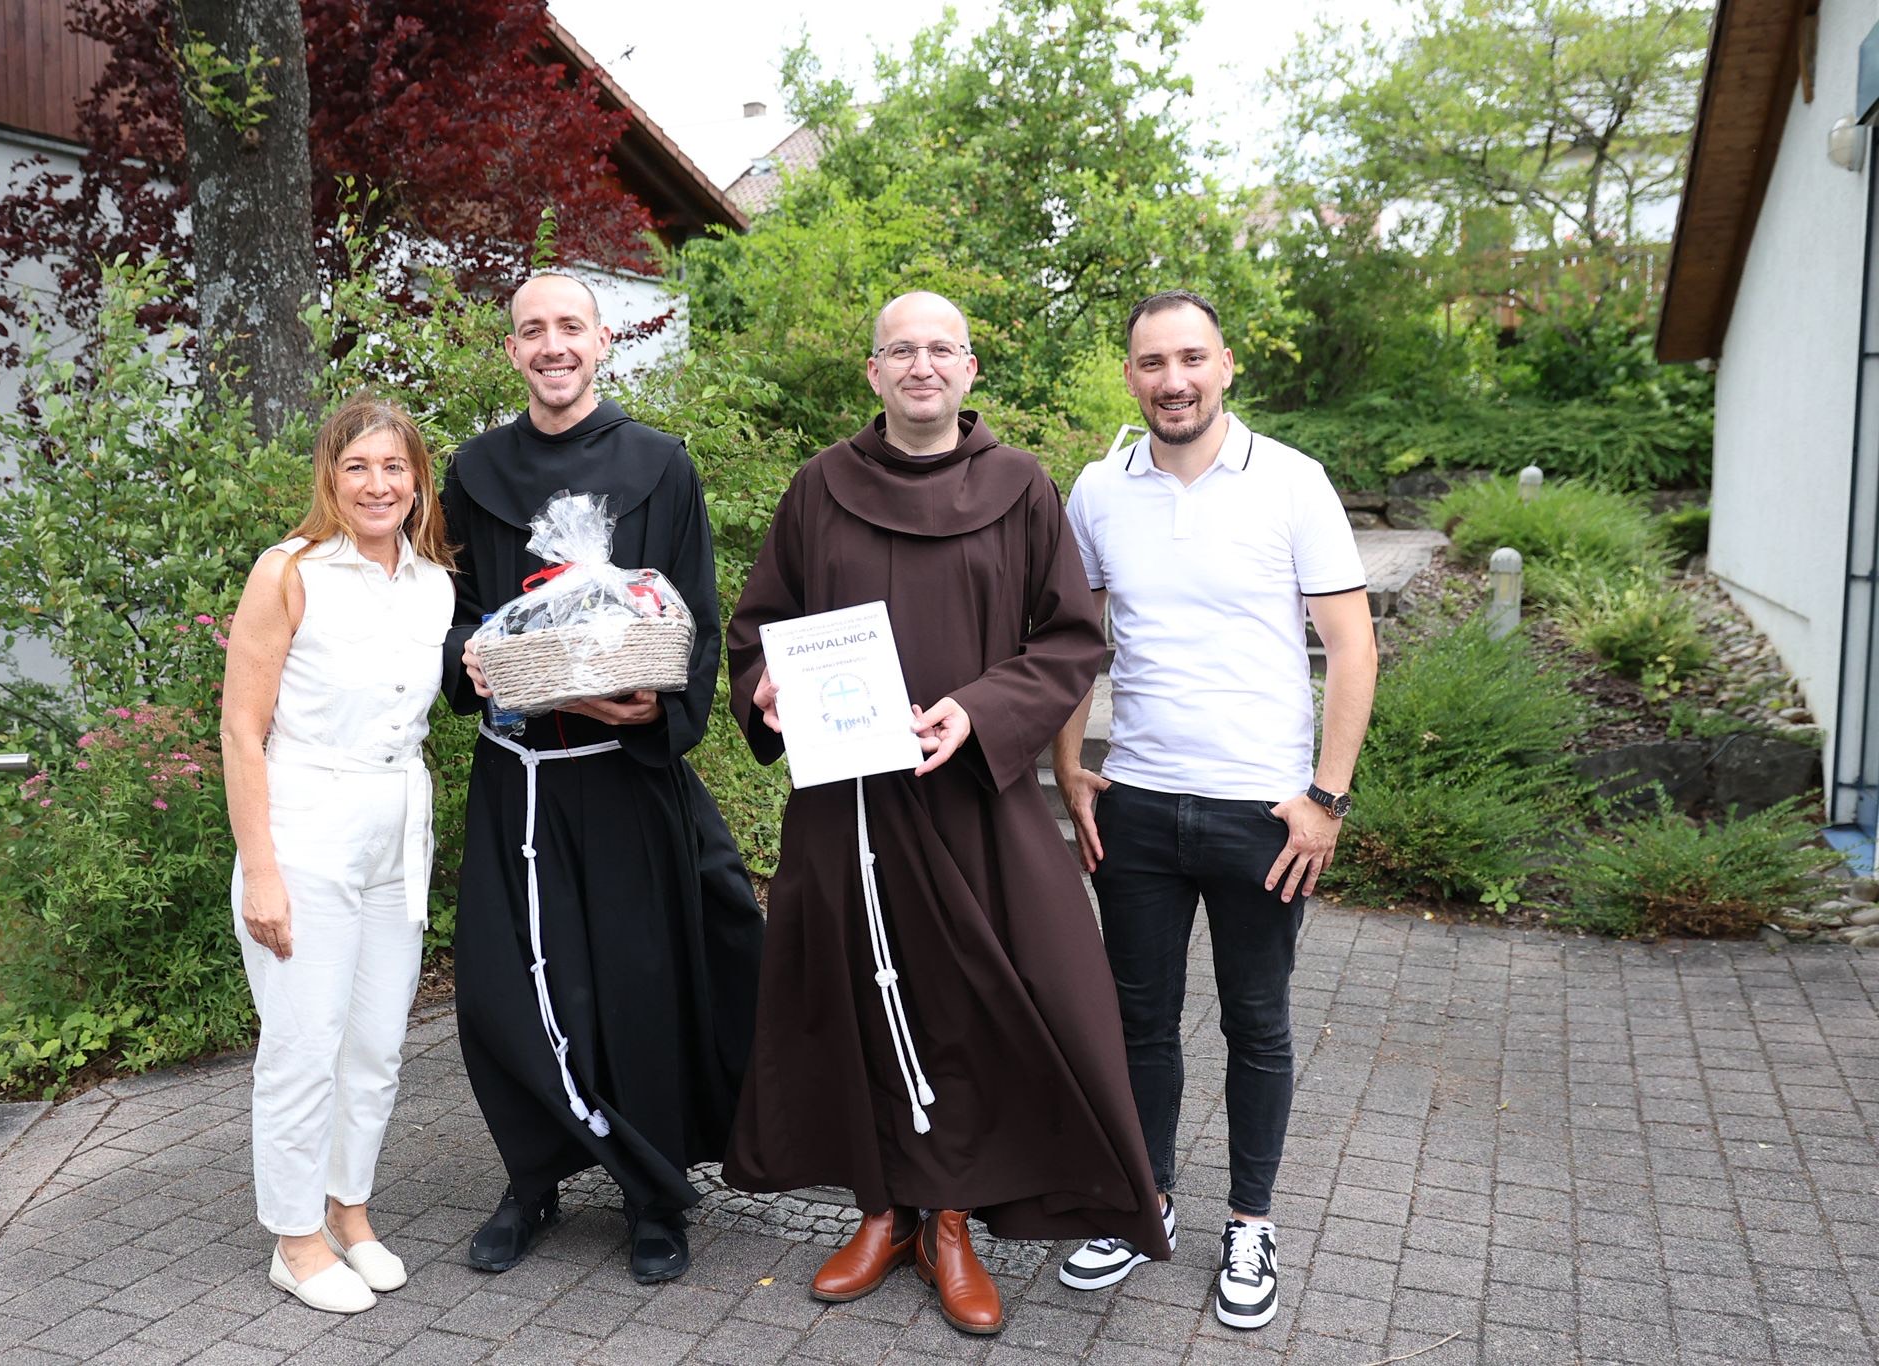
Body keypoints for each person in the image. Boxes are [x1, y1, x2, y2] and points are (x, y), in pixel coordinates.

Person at [722, 291, 1169, 1337]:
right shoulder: (818, 487)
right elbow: (760, 626)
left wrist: (978, 711)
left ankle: (953, 1220)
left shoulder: (1021, 487)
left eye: (940, 349)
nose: (920, 366)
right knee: (856, 995)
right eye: (900, 350)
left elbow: (1069, 640)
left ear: (968, 370)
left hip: (972, 801)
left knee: (970, 1003)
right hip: (847, 807)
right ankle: (883, 1212)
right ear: (873, 372)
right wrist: (765, 689)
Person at [1053, 291, 1378, 1330]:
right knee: (1137, 1021)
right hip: (1138, 804)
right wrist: (1070, 767)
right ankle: (1141, 1201)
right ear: (1129, 376)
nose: (1173, 380)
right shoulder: (1098, 490)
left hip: (1263, 816)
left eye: (1191, 358)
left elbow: (1352, 646)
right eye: (1152, 362)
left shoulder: (1291, 480)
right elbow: (1076, 641)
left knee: (1256, 1023)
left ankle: (1249, 1221)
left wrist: (1325, 797)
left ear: (1226, 365)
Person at [441, 273, 763, 1286]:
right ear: (510, 351)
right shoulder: (473, 472)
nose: (552, 345)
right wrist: (473, 659)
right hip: (517, 776)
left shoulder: (658, 464)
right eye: (532, 330)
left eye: (569, 327)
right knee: (510, 985)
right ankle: (532, 1177)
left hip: (620, 776)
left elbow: (694, 617)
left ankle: (652, 1195)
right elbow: (452, 613)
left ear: (602, 341)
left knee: (636, 984)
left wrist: (655, 709)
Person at [221, 396, 458, 1314]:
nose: (377, 484)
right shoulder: (289, 572)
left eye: (394, 467)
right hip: (306, 826)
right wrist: (262, 871)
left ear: (418, 481)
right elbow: (242, 731)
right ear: (330, 476)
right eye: (358, 466)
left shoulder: (433, 583)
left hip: (396, 829)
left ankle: (347, 1210)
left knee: (377, 1046)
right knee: (303, 1045)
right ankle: (294, 1240)